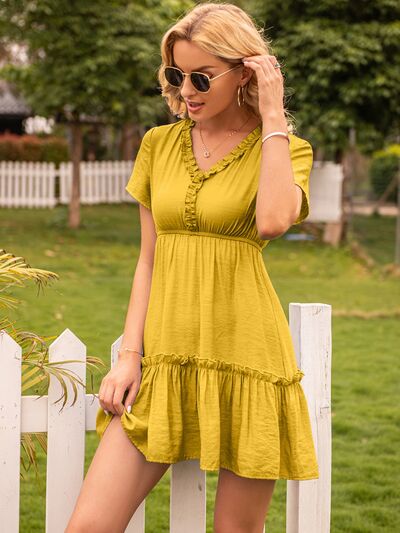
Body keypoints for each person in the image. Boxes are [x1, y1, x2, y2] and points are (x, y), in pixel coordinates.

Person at [66, 2, 319, 532]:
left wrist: (273, 116)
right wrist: (129, 356)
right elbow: (148, 259)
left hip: (247, 360)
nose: (187, 91)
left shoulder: (286, 150)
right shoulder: (158, 145)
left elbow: (273, 221)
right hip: (164, 360)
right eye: (175, 75)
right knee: (89, 525)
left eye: (202, 77)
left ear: (244, 73)